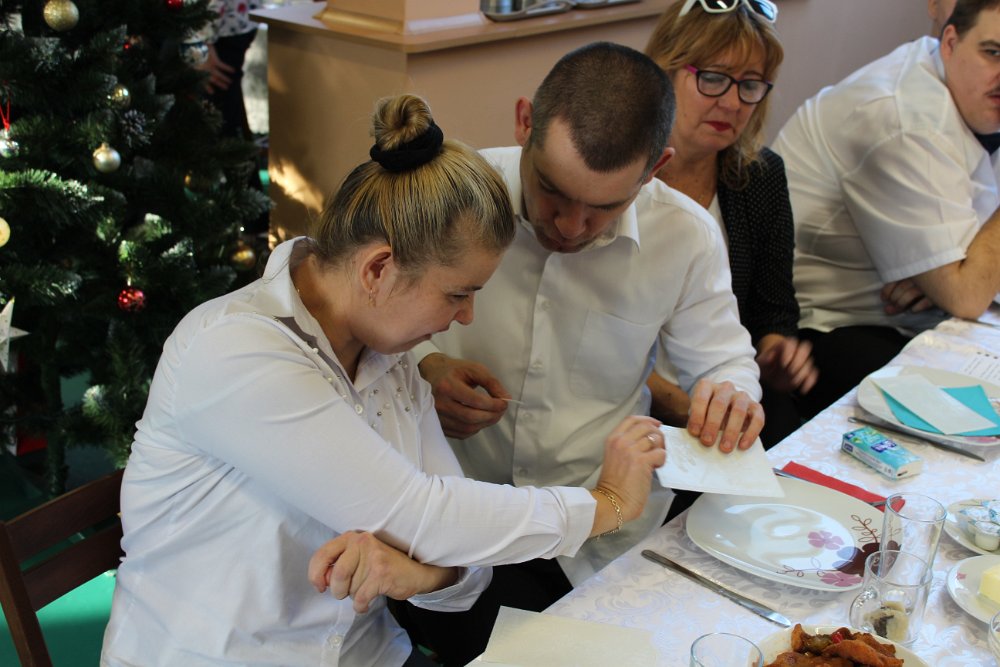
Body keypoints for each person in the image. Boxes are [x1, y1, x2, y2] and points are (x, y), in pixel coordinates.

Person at [99, 93, 666, 667]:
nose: (466, 317)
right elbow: (426, 516)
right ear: (378, 268)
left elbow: (464, 570)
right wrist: (606, 505)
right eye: (458, 293)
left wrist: (418, 574)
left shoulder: (390, 357)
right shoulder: (234, 351)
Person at [396, 41, 764, 666]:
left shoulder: (685, 237)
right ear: (524, 123)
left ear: (656, 168)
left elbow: (725, 363)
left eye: (605, 208)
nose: (569, 226)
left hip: (605, 533)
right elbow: (359, 328)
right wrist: (424, 365)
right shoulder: (450, 198)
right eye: (551, 190)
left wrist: (731, 395)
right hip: (459, 516)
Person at [772, 0, 1000, 420]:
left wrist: (960, 268)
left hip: (919, 319)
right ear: (950, 42)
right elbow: (966, 295)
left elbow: (971, 280)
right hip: (827, 329)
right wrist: (958, 274)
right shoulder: (903, 116)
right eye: (994, 52)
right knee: (972, 422)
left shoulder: (967, 93)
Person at [643, 0, 817, 449]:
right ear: (665, 71)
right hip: (634, 400)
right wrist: (683, 405)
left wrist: (777, 354)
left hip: (724, 392)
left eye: (750, 85)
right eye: (714, 78)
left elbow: (774, 310)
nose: (732, 102)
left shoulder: (759, 176)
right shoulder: (621, 169)